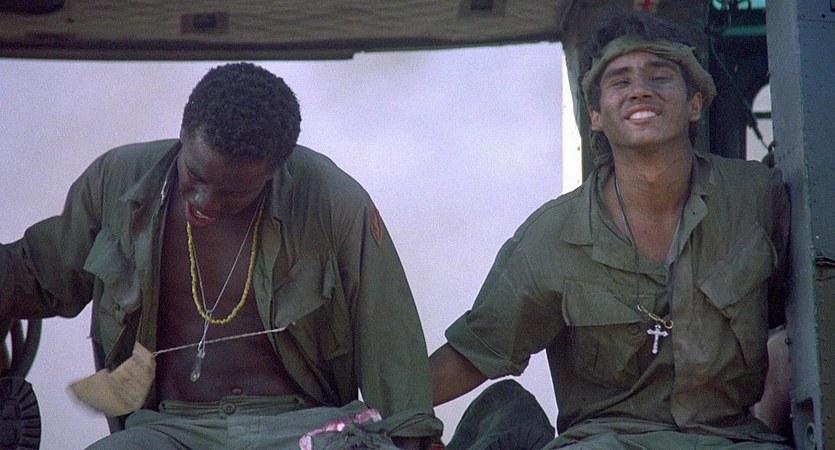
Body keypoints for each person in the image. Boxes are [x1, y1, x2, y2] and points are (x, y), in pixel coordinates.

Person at [0, 62, 441, 449]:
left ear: (273, 171)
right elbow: (35, 276)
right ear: (183, 134)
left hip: (302, 426)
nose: (205, 202)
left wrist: (411, 439)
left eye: (233, 193)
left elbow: (389, 336)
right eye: (195, 176)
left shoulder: (333, 200)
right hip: (166, 429)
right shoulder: (116, 182)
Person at [430, 11, 792, 449]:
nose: (640, 89)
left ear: (695, 103)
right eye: (620, 81)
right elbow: (475, 352)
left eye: (660, 76)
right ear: (596, 116)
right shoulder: (554, 235)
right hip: (604, 441)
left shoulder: (757, 200)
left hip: (732, 439)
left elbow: (801, 318)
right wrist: (377, 415)